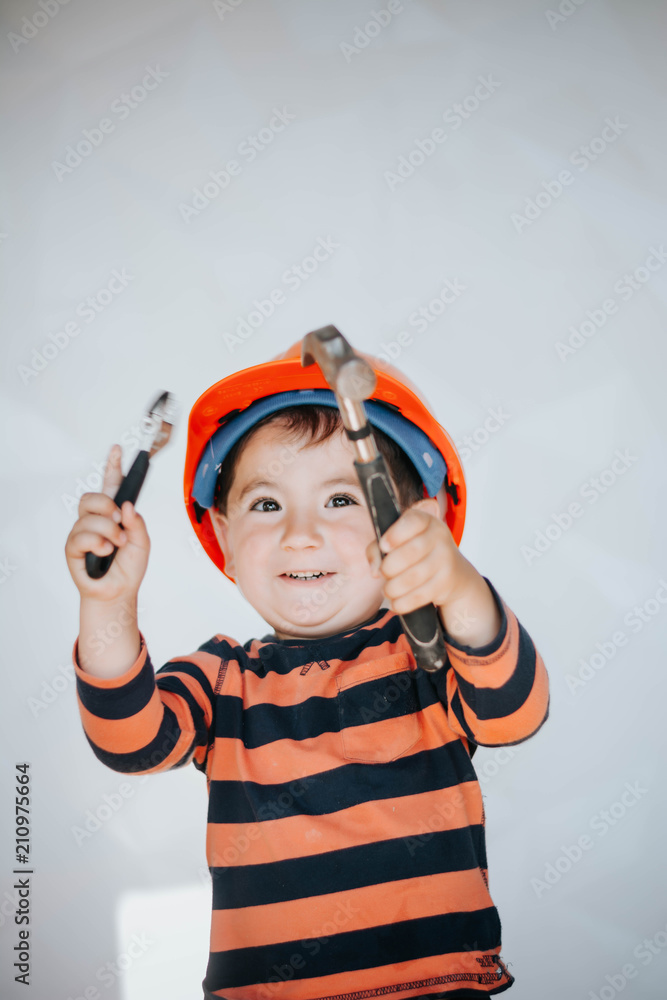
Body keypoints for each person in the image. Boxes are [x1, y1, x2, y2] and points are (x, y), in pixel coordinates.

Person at [65, 338, 550, 1000]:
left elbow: (512, 712)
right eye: (266, 504)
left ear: (415, 526)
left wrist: (458, 585)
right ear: (224, 538)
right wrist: (108, 604)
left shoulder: (426, 654)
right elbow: (130, 743)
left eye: (341, 500)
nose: (300, 533)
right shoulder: (222, 681)